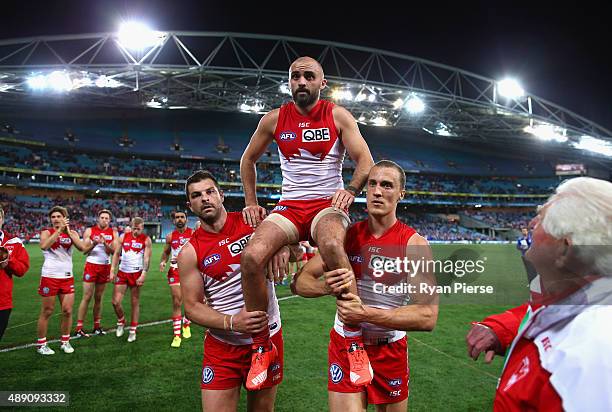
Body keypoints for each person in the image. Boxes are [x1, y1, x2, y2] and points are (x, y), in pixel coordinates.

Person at [240, 55, 375, 389]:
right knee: (251, 256)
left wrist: (351, 190)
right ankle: (261, 346)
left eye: (308, 76)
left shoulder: (338, 115)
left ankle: (354, 340)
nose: (301, 81)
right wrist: (252, 203)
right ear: (289, 82)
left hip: (326, 206)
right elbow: (247, 159)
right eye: (295, 76)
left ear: (321, 82)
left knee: (331, 244)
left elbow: (365, 160)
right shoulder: (273, 119)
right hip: (288, 207)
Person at [293, 160, 438, 411]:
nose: (378, 191)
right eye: (372, 184)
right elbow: (300, 283)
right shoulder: (346, 237)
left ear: (401, 193)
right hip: (345, 345)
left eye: (387, 185)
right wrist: (327, 287)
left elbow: (427, 316)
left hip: (389, 348)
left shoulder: (414, 244)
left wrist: (365, 314)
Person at [466, 177, 612, 411]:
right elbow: (546, 314)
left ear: (565, 248)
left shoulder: (591, 359)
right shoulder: (575, 298)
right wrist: (502, 328)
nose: (532, 223)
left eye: (543, 218)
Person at [178, 170, 295, 412]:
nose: (205, 199)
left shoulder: (252, 222)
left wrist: (284, 246)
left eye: (210, 192)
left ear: (221, 195)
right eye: (197, 196)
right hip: (223, 344)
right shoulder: (190, 252)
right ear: (190, 206)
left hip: (268, 337)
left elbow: (298, 246)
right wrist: (232, 322)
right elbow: (191, 307)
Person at [37, 206, 87, 355]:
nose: (56, 219)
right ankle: (41, 345)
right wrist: (58, 231)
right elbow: (44, 246)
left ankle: (65, 341)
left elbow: (83, 248)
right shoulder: (46, 232)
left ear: (65, 218)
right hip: (49, 276)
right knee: (47, 311)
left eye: (59, 216)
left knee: (67, 310)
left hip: (66, 277)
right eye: (53, 217)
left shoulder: (72, 233)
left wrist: (68, 233)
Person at [75, 209, 118, 337]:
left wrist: (105, 243)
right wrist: (94, 243)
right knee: (87, 297)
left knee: (98, 298)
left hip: (105, 266)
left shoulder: (113, 233)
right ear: (98, 219)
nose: (104, 220)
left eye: (106, 218)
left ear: (109, 220)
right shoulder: (90, 231)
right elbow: (84, 250)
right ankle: (79, 328)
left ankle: (97, 326)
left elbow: (113, 251)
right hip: (91, 266)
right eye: (102, 217)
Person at [111, 217, 152, 343]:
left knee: (134, 302)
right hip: (123, 272)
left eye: (138, 229)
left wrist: (144, 274)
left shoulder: (146, 239)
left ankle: (133, 330)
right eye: (134, 228)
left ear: (142, 227)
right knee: (115, 302)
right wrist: (112, 269)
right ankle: (121, 321)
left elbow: (146, 258)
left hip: (136, 273)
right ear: (131, 226)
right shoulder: (124, 237)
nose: (136, 231)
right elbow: (117, 254)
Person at [159, 210, 194, 348]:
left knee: (193, 301)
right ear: (173, 221)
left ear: (186, 219)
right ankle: (177, 336)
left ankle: (186, 323)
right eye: (177, 217)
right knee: (176, 301)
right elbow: (166, 252)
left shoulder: (193, 234)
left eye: (182, 217)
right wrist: (163, 261)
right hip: (175, 270)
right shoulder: (170, 236)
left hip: (191, 270)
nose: (179, 219)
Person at [0, 205, 30, 341]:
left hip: (2, 303)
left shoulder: (14, 242)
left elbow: (22, 269)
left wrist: (8, 260)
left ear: (2, 219)